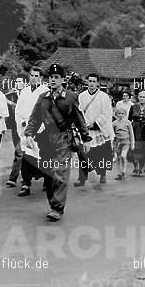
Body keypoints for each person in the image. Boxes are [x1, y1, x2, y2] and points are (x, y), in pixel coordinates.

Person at [23, 63, 91, 221]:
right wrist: (29, 134)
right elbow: (34, 118)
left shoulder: (70, 97)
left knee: (60, 172)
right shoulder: (43, 98)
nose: (52, 80)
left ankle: (57, 207)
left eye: (56, 77)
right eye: (50, 77)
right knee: (49, 174)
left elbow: (79, 118)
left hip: (64, 139)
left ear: (62, 79)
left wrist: (86, 138)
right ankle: (53, 202)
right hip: (46, 139)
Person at [12, 67, 49, 197]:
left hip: (40, 130)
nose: (33, 77)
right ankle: (26, 184)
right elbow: (18, 109)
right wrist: (21, 122)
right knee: (26, 157)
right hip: (26, 129)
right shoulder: (25, 91)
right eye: (31, 75)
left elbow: (47, 113)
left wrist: (40, 127)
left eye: (36, 75)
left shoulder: (45, 91)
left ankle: (46, 181)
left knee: (41, 156)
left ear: (41, 78)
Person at [75, 74, 114, 187]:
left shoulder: (104, 96)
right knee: (83, 154)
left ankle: (102, 174)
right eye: (90, 81)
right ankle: (82, 178)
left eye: (94, 81)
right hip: (86, 129)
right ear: (87, 82)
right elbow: (79, 112)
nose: (91, 84)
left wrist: (96, 124)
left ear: (98, 83)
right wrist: (86, 124)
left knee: (101, 153)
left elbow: (107, 113)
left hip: (99, 130)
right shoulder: (81, 96)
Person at [4, 73, 26, 190]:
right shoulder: (12, 95)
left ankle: (13, 178)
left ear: (25, 83)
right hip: (14, 127)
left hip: (25, 128)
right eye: (16, 82)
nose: (17, 84)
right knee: (19, 152)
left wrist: (12, 104)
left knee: (20, 152)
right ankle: (25, 176)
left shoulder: (28, 95)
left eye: (20, 81)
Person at [112, 107, 134, 180]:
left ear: (125, 114)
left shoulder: (128, 122)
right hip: (118, 142)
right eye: (119, 113)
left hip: (126, 142)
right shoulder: (114, 123)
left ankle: (124, 170)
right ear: (116, 114)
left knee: (123, 156)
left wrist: (132, 143)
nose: (120, 115)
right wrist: (112, 143)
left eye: (122, 114)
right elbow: (112, 134)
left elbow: (131, 133)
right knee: (118, 158)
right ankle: (119, 173)